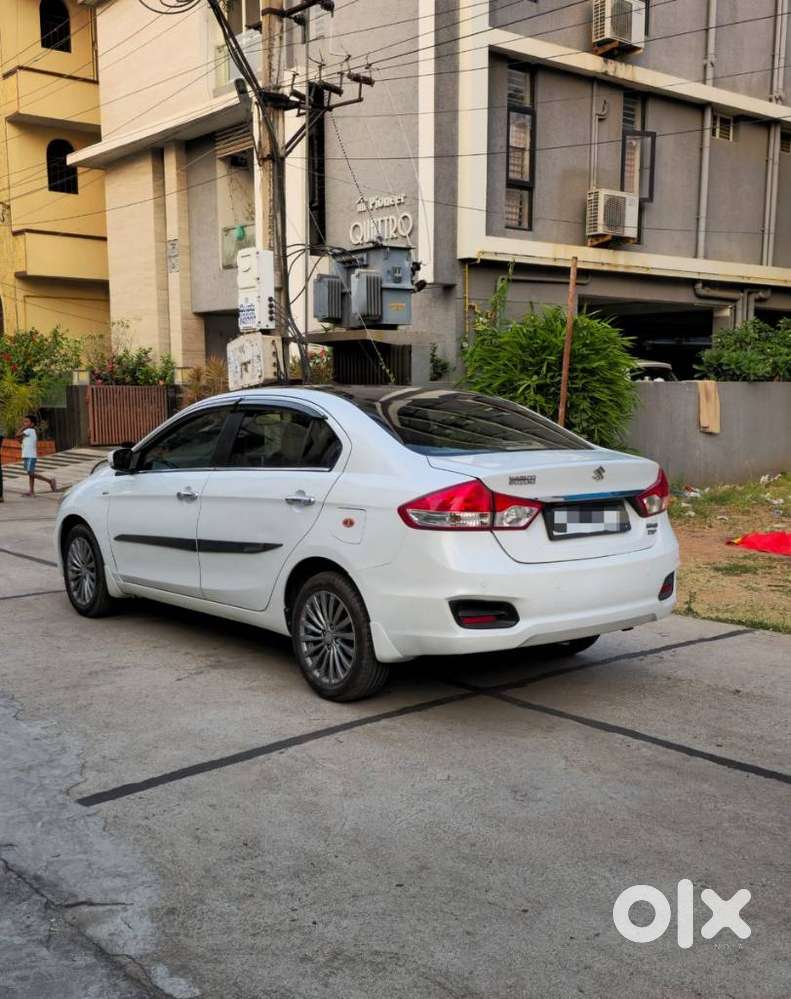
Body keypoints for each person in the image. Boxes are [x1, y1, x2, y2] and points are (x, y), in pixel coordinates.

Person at [17, 415, 57, 497]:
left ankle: (50, 481)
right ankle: (31, 491)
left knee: (30, 472)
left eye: (26, 421)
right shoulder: (28, 433)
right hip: (26, 456)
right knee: (30, 474)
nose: (24, 423)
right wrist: (20, 439)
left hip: (30, 456)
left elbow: (17, 435)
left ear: (32, 424)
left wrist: (22, 428)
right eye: (24, 421)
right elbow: (19, 440)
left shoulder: (30, 430)